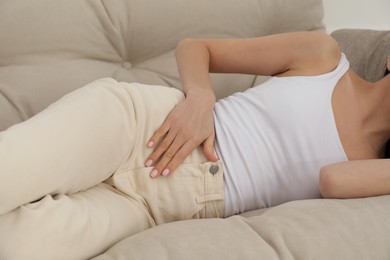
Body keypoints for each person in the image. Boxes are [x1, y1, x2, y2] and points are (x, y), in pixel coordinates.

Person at [0, 31, 389, 259]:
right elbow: (195, 46)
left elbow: (333, 181)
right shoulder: (323, 55)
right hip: (139, 127)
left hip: (160, 208)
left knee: (20, 248)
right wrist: (201, 98)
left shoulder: (373, 166)